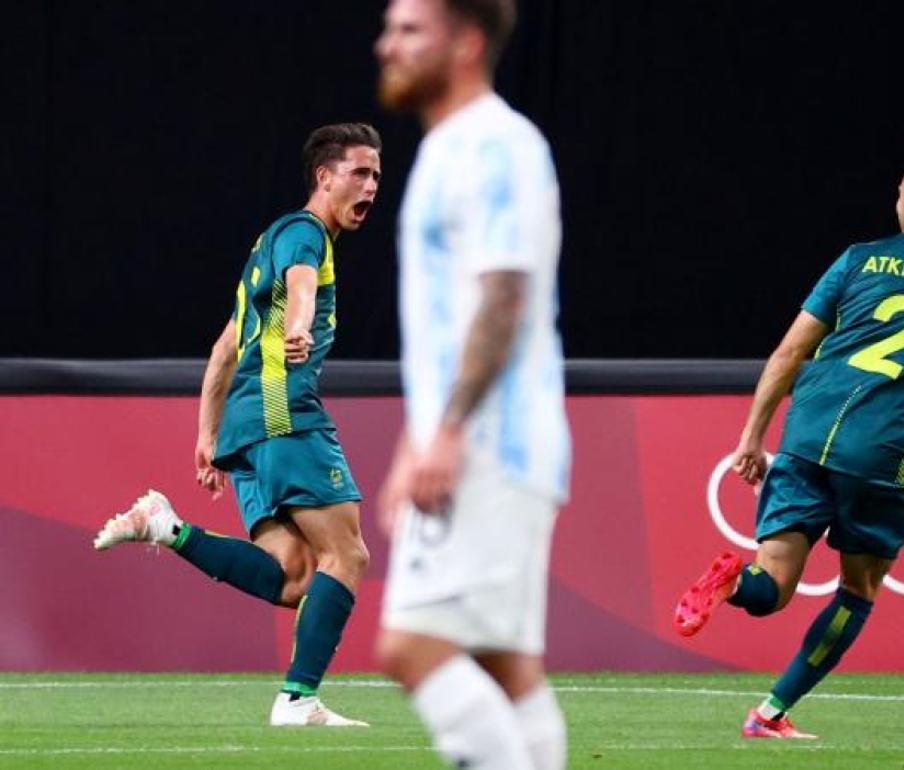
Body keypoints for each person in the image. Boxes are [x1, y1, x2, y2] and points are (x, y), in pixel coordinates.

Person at [675, 148, 904, 739]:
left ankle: (731, 581)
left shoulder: (858, 261)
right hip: (879, 458)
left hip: (806, 437)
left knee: (770, 587)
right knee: (858, 590)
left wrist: (752, 436)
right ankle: (769, 714)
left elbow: (788, 352)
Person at [93, 123, 382, 727]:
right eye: (360, 172)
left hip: (245, 426)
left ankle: (168, 528)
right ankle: (298, 699)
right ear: (324, 177)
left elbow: (227, 345)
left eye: (377, 175)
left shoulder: (265, 244)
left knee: (294, 577)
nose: (371, 186)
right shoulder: (305, 234)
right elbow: (301, 290)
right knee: (346, 554)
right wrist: (300, 325)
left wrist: (208, 434)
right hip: (283, 411)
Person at [373, 1, 569, 768]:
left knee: (411, 644)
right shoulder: (451, 147)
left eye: (410, 29)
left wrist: (449, 431)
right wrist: (418, 436)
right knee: (505, 666)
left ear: (467, 43)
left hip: (494, 443)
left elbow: (506, 295)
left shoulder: (495, 144)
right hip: (491, 439)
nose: (387, 44)